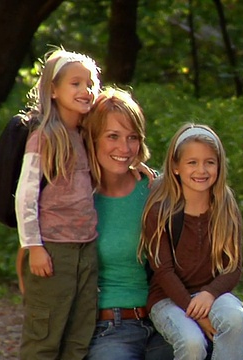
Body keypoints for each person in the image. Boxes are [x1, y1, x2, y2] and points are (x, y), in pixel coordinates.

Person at [15, 48, 101, 359]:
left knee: (79, 335)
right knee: (44, 336)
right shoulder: (44, 136)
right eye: (75, 83)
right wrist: (33, 246)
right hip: (52, 249)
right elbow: (26, 194)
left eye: (90, 84)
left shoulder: (83, 134)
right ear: (53, 90)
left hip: (86, 249)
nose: (85, 90)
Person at [138, 124, 243, 360]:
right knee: (192, 343)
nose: (202, 170)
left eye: (210, 162)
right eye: (192, 162)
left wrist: (209, 294)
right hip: (167, 298)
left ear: (219, 165)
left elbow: (234, 267)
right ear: (176, 167)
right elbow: (164, 272)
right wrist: (197, 314)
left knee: (235, 318)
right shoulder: (161, 211)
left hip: (210, 293)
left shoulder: (226, 207)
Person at [80, 87, 174, 359]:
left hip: (164, 320)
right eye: (113, 136)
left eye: (132, 137)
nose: (125, 148)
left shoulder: (156, 188)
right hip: (108, 328)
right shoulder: (78, 198)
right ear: (92, 138)